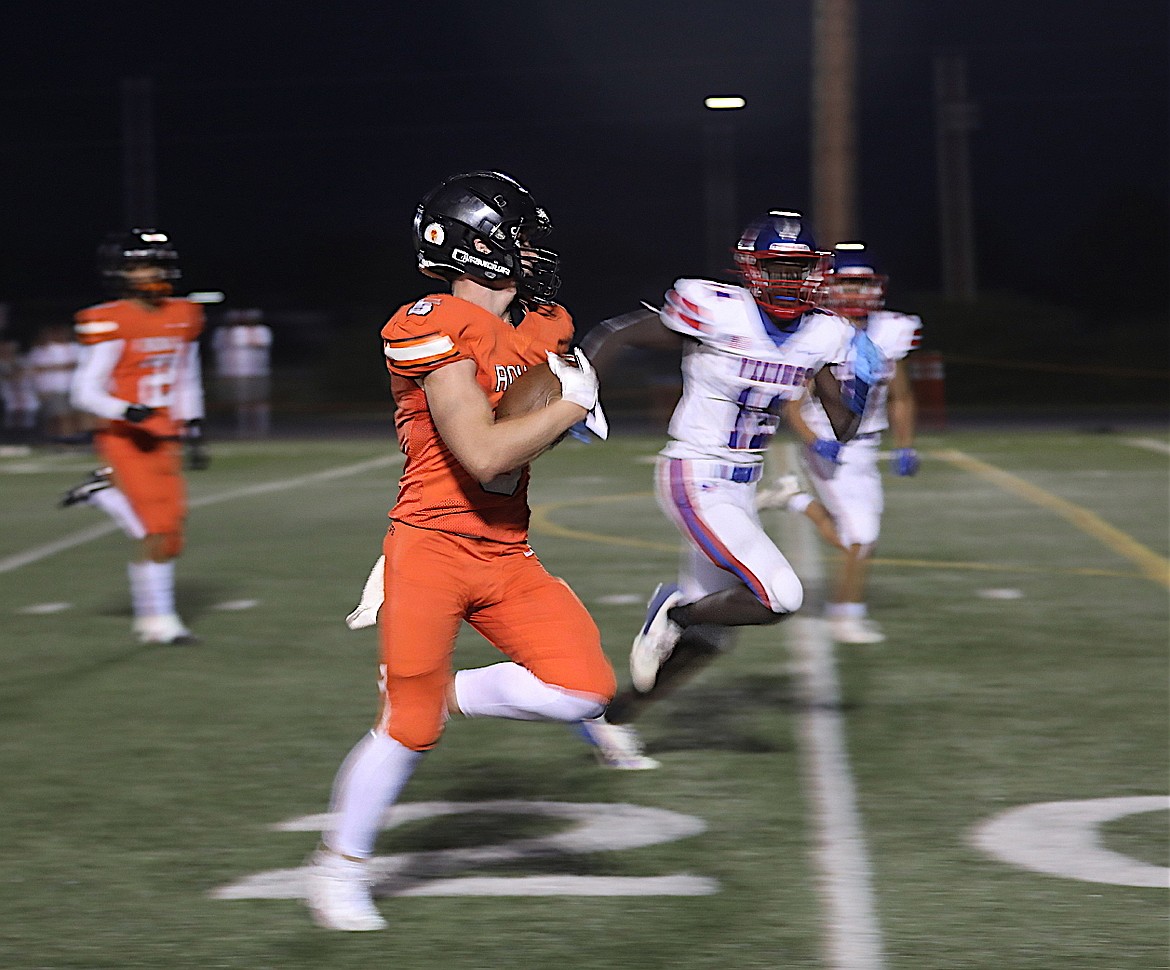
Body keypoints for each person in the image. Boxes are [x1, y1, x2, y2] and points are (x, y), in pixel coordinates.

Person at [305, 171, 615, 932]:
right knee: (407, 728)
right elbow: (478, 453)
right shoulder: (431, 321)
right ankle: (337, 869)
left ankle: (448, 691)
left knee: (585, 689)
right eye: (522, 236)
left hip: (507, 551)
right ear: (479, 248)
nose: (537, 253)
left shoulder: (543, 327)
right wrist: (572, 402)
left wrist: (561, 399)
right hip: (433, 546)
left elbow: (522, 424)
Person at [572, 210, 885, 769]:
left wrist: (857, 387)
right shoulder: (717, 309)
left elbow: (844, 427)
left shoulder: (826, 332)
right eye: (776, 268)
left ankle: (612, 720)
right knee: (779, 596)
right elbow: (617, 334)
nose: (790, 282)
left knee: (715, 637)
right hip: (694, 470)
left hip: (742, 484)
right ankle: (674, 612)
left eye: (800, 269)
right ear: (750, 269)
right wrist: (580, 400)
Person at [764, 242, 921, 644]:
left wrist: (905, 444)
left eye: (862, 284)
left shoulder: (891, 330)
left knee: (857, 534)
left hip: (866, 444)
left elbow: (901, 396)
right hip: (829, 441)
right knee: (861, 536)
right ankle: (846, 614)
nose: (854, 293)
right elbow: (793, 402)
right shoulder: (817, 331)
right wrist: (815, 441)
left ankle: (796, 501)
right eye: (846, 284)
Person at [64, 229, 209, 645]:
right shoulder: (110, 319)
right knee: (155, 527)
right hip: (125, 436)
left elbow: (186, 374)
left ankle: (105, 492)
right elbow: (84, 392)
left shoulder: (182, 314)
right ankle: (159, 622)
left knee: (172, 531)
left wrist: (194, 425)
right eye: (142, 263)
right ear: (120, 271)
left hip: (164, 432)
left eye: (158, 262)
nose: (152, 271)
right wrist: (125, 410)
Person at [211, 308, 273, 437]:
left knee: (258, 401)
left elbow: (259, 343)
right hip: (233, 373)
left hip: (257, 372)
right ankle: (242, 428)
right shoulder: (227, 332)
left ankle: (261, 428)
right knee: (239, 403)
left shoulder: (261, 330)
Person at [26, 323, 84, 442]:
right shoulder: (40, 350)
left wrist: (53, 367)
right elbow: (36, 368)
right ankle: (60, 439)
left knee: (74, 414)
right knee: (57, 415)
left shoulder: (75, 347)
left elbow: (79, 364)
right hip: (52, 388)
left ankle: (73, 438)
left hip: (73, 386)